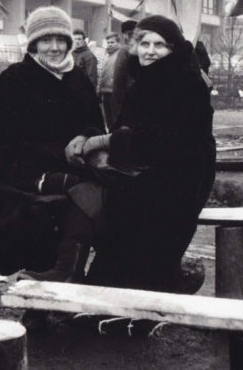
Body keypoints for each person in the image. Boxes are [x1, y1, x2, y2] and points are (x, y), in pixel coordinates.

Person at [0, 6, 105, 329]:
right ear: (33, 44)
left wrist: (84, 137)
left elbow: (95, 123)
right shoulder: (14, 79)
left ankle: (65, 280)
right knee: (50, 209)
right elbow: (1, 139)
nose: (54, 47)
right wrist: (57, 155)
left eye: (60, 39)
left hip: (76, 167)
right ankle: (41, 299)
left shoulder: (78, 78)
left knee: (89, 193)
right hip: (25, 172)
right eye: (45, 40)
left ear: (70, 43)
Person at [80, 15, 215, 293]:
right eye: (144, 43)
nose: (150, 51)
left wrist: (103, 141)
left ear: (172, 49)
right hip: (145, 175)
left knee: (142, 248)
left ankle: (140, 309)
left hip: (178, 182)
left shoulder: (185, 82)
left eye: (159, 45)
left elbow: (160, 141)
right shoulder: (144, 79)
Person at [108, 20, 138, 128]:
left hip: (126, 96)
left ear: (125, 35)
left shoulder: (125, 50)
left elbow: (118, 79)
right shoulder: (145, 48)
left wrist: (116, 109)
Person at [98, 32, 122, 130]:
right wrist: (99, 90)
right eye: (108, 43)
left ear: (118, 42)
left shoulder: (121, 55)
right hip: (106, 92)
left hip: (115, 93)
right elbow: (102, 75)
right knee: (108, 120)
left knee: (116, 120)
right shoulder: (107, 56)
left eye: (112, 42)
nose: (110, 45)